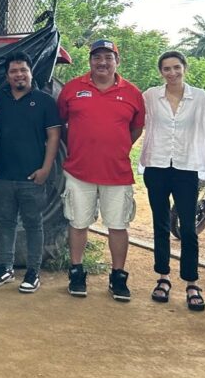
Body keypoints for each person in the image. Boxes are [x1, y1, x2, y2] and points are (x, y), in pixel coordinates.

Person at [56, 38, 144, 301]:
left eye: (108, 57)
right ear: (90, 61)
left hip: (116, 174)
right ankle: (76, 271)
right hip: (78, 171)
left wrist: (116, 147)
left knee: (118, 225)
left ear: (117, 61)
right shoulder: (73, 89)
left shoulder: (132, 93)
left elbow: (136, 128)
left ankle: (118, 276)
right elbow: (61, 122)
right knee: (78, 222)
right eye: (97, 57)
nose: (102, 62)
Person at [139, 50, 205, 311]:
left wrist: (198, 146)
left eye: (176, 67)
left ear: (185, 68)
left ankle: (192, 282)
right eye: (166, 69)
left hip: (186, 167)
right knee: (160, 224)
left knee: (188, 228)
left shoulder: (202, 98)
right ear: (161, 72)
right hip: (156, 165)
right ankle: (163, 277)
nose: (171, 73)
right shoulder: (150, 96)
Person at [0, 51, 60, 294]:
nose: (19, 75)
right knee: (6, 223)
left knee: (33, 225)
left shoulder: (45, 101)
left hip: (32, 177)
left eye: (23, 70)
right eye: (14, 71)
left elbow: (53, 137)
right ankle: (5, 268)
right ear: (7, 76)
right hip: (3, 176)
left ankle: (33, 272)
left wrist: (46, 169)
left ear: (30, 72)